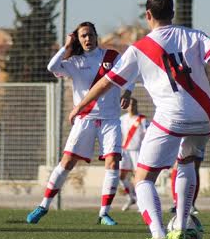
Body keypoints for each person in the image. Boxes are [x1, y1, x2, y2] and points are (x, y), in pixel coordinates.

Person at [68, 0, 210, 239]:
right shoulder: (192, 35)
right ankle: (180, 229)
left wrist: (80, 106)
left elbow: (105, 83)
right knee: (187, 163)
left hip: (171, 118)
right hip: (204, 116)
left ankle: (158, 236)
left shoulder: (140, 48)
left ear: (148, 15)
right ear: (172, 12)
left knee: (143, 179)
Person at [26, 21, 132, 226]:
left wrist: (127, 92)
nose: (87, 39)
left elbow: (129, 76)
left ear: (96, 36)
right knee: (67, 162)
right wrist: (66, 47)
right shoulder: (74, 61)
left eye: (90, 35)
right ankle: (43, 206)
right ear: (78, 39)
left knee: (113, 162)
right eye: (82, 36)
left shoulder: (111, 57)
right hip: (85, 119)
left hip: (110, 119)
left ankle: (104, 213)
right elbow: (52, 67)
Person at [119, 98, 149, 211]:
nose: (131, 107)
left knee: (139, 178)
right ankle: (131, 197)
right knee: (120, 176)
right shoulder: (122, 119)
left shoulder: (142, 119)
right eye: (130, 104)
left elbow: (147, 135)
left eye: (134, 104)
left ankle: (142, 203)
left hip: (138, 151)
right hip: (125, 151)